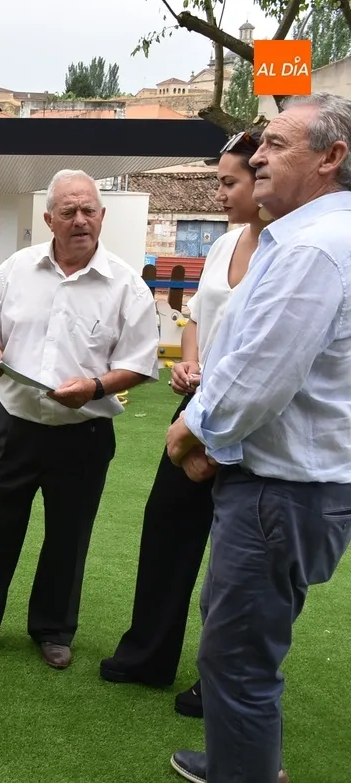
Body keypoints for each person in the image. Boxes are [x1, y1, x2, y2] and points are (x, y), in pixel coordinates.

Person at [165, 93, 351, 783]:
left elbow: (258, 378)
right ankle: (240, 762)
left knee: (238, 656)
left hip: (281, 489)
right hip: (283, 487)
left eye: (276, 143)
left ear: (331, 157)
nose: (259, 156)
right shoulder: (303, 239)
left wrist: (191, 434)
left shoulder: (315, 248)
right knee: (233, 636)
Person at [0, 169, 160, 669]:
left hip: (83, 433)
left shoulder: (127, 286)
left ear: (102, 215)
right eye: (68, 211)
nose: (80, 220)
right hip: (14, 424)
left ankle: (53, 630)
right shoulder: (16, 270)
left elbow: (139, 363)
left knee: (68, 536)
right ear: (49, 220)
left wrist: (96, 388)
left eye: (88, 210)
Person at [100, 131, 268, 718]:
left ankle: (217, 681)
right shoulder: (223, 246)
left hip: (252, 420)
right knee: (167, 530)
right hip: (197, 408)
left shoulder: (291, 254)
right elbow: (196, 315)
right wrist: (189, 363)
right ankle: (147, 655)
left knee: (238, 558)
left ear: (263, 178)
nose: (219, 193)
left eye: (229, 182)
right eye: (218, 181)